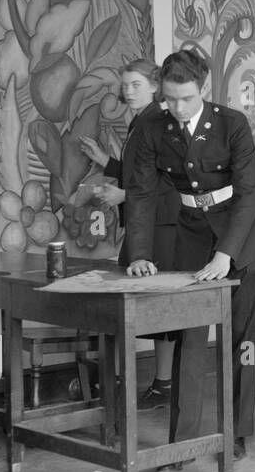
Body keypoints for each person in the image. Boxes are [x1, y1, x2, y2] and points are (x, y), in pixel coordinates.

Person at [124, 48, 255, 470]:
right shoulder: (152, 125)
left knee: (242, 341)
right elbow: (139, 192)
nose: (176, 108)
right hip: (190, 235)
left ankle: (238, 432)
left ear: (204, 88)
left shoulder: (232, 123)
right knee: (190, 341)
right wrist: (139, 253)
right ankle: (182, 446)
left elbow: (249, 194)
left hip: (243, 238)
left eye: (186, 99)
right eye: (169, 99)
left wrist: (227, 253)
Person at [77, 59, 180, 411]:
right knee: (157, 308)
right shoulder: (142, 120)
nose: (128, 91)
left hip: (160, 228)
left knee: (162, 309)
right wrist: (107, 162)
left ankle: (164, 383)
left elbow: (168, 182)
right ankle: (160, 383)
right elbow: (141, 172)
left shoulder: (158, 122)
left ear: (155, 86)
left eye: (136, 84)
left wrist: (125, 196)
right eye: (125, 85)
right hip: (147, 224)